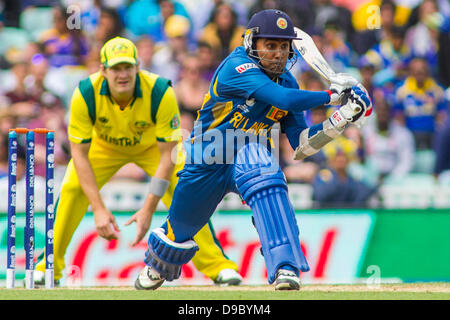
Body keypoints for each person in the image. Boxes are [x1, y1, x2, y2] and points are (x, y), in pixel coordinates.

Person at [134, 9, 371, 291]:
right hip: (208, 157)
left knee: (266, 175)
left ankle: (286, 267)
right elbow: (281, 98)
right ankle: (158, 264)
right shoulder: (236, 67)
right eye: (270, 45)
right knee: (178, 233)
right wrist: (334, 95)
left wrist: (341, 118)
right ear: (252, 44)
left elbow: (302, 146)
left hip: (248, 154)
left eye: (284, 46)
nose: (278, 53)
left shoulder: (288, 82)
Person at [33, 37, 241, 287]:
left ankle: (219, 267)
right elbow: (79, 155)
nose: (122, 75)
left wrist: (148, 209)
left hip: (152, 148)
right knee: (72, 188)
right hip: (104, 147)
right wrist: (98, 208)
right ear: (103, 71)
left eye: (127, 67)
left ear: (137, 67)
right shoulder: (85, 94)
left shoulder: (160, 91)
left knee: (186, 187)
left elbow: (168, 156)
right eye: (116, 68)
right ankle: (49, 266)